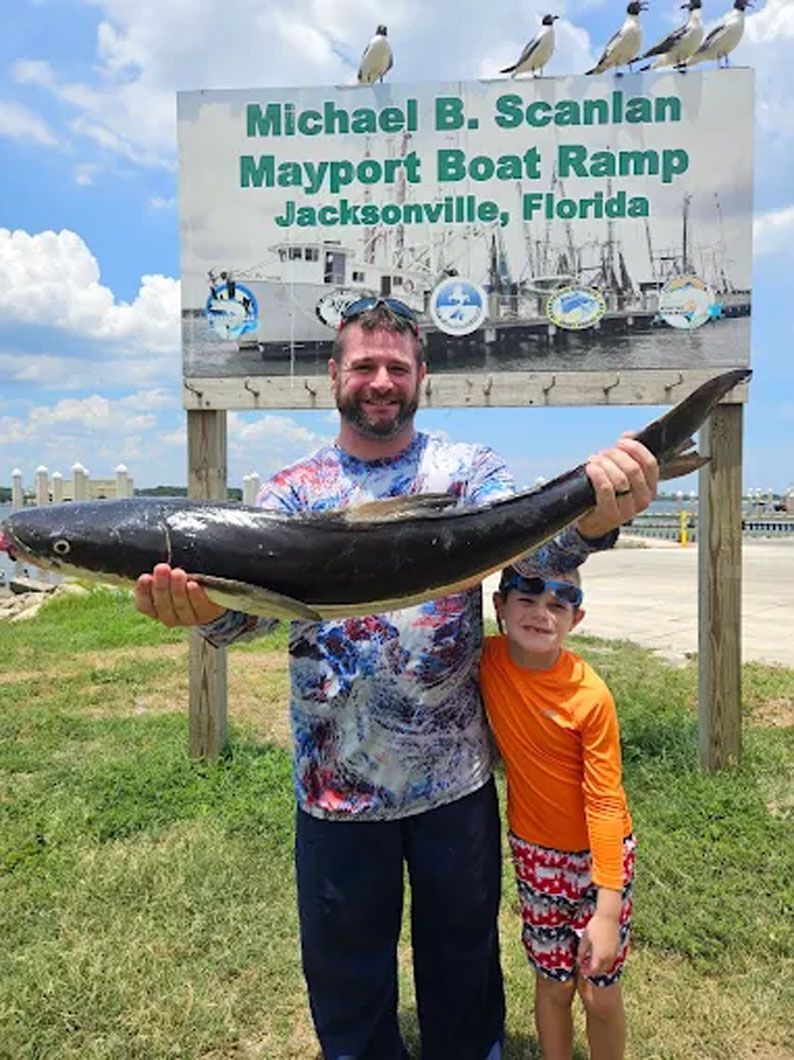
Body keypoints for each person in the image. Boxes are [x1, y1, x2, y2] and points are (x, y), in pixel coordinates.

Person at [135, 298, 657, 1060]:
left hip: (454, 785)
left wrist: (593, 522)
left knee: (462, 967)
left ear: (422, 377)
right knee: (346, 983)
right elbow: (254, 618)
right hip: (335, 793)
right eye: (364, 366)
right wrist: (200, 614)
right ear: (333, 375)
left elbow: (532, 562)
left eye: (396, 367)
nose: (380, 380)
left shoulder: (470, 472)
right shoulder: (290, 494)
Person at [480, 563, 635, 1060]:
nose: (541, 614)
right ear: (499, 608)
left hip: (600, 858)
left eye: (557, 604)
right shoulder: (486, 660)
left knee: (599, 991)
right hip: (534, 854)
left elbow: (607, 799)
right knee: (554, 986)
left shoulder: (590, 697)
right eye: (526, 599)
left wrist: (607, 909)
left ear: (577, 618)